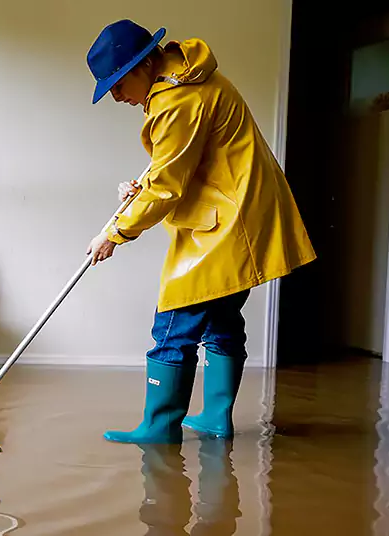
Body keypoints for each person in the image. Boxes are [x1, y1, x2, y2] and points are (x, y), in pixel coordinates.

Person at [84, 20, 316, 444]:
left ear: (145, 63)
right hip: (241, 213)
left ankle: (160, 426)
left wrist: (114, 233)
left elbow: (169, 186)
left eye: (117, 83)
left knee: (172, 326)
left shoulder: (176, 99)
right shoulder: (186, 77)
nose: (116, 95)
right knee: (223, 320)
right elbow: (181, 166)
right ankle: (215, 417)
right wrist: (143, 188)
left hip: (228, 224)